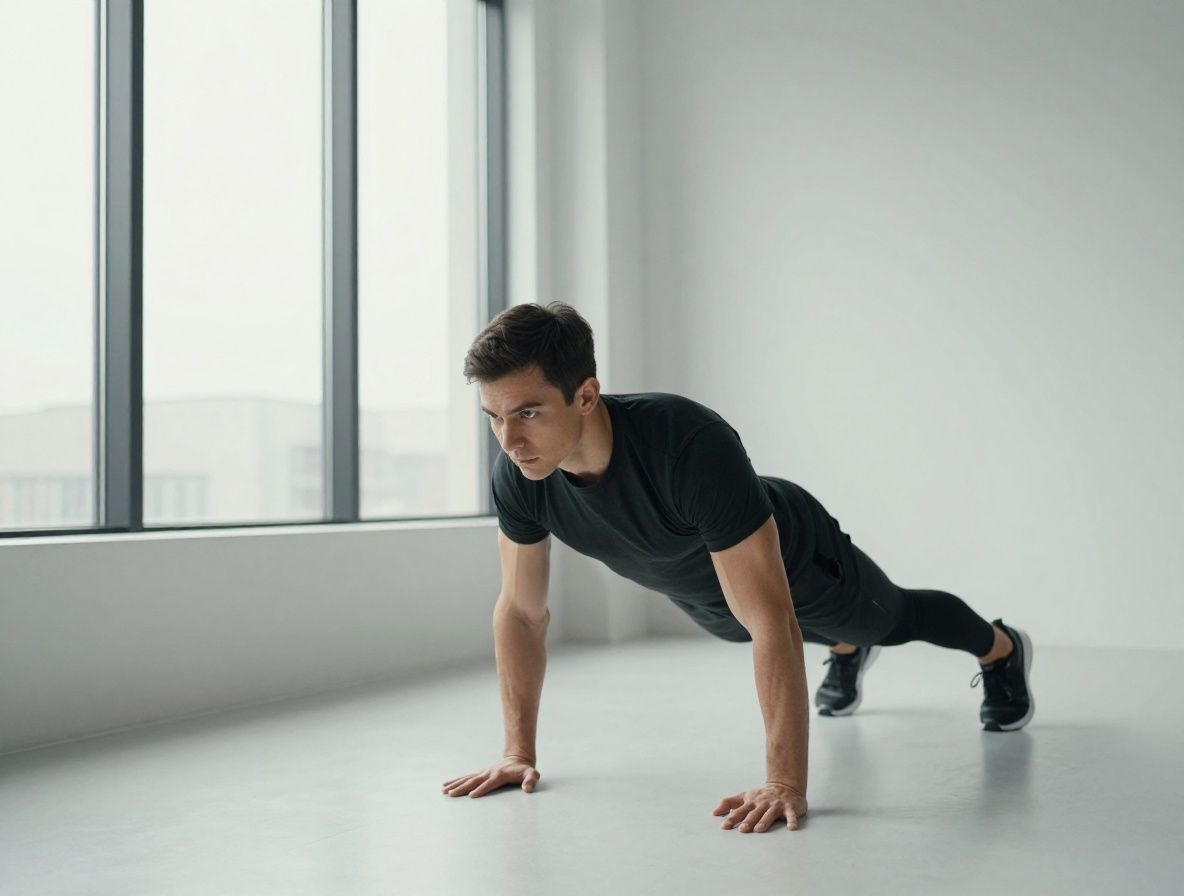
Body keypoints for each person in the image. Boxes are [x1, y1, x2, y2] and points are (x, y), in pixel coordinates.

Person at [441, 302, 1034, 834]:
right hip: (706, 594)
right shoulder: (520, 480)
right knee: (736, 624)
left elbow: (772, 617)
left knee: (891, 619)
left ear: (587, 395)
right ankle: (846, 651)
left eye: (528, 413)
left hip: (799, 558)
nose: (509, 440)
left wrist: (784, 783)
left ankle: (1000, 649)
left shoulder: (687, 444)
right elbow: (520, 611)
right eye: (493, 417)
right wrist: (518, 752)